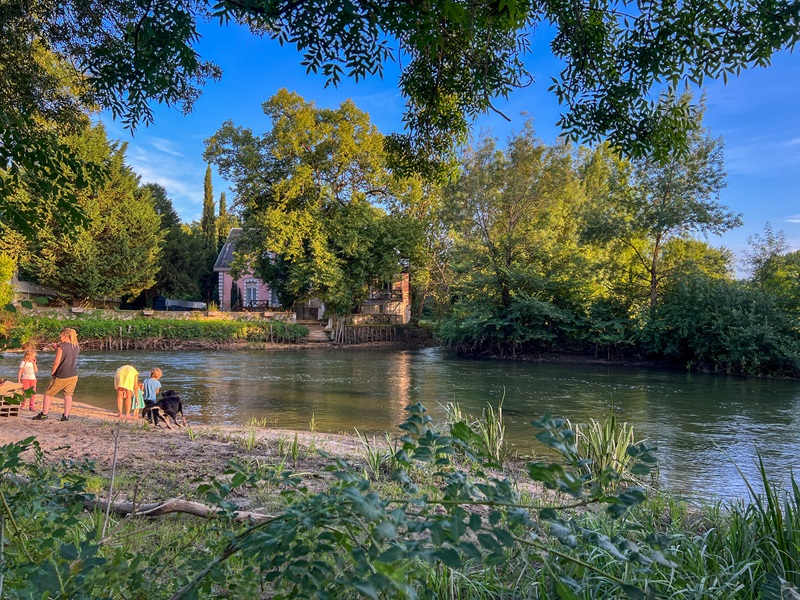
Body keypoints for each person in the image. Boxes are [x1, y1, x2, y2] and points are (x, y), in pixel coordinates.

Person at [33, 328, 79, 422]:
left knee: (48, 393)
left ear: (65, 336)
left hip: (61, 375)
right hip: (73, 374)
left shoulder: (61, 347)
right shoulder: (76, 346)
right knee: (68, 395)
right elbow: (68, 356)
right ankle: (66, 416)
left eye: (61, 335)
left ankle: (44, 414)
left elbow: (56, 362)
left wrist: (53, 372)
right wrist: (57, 348)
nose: (60, 337)